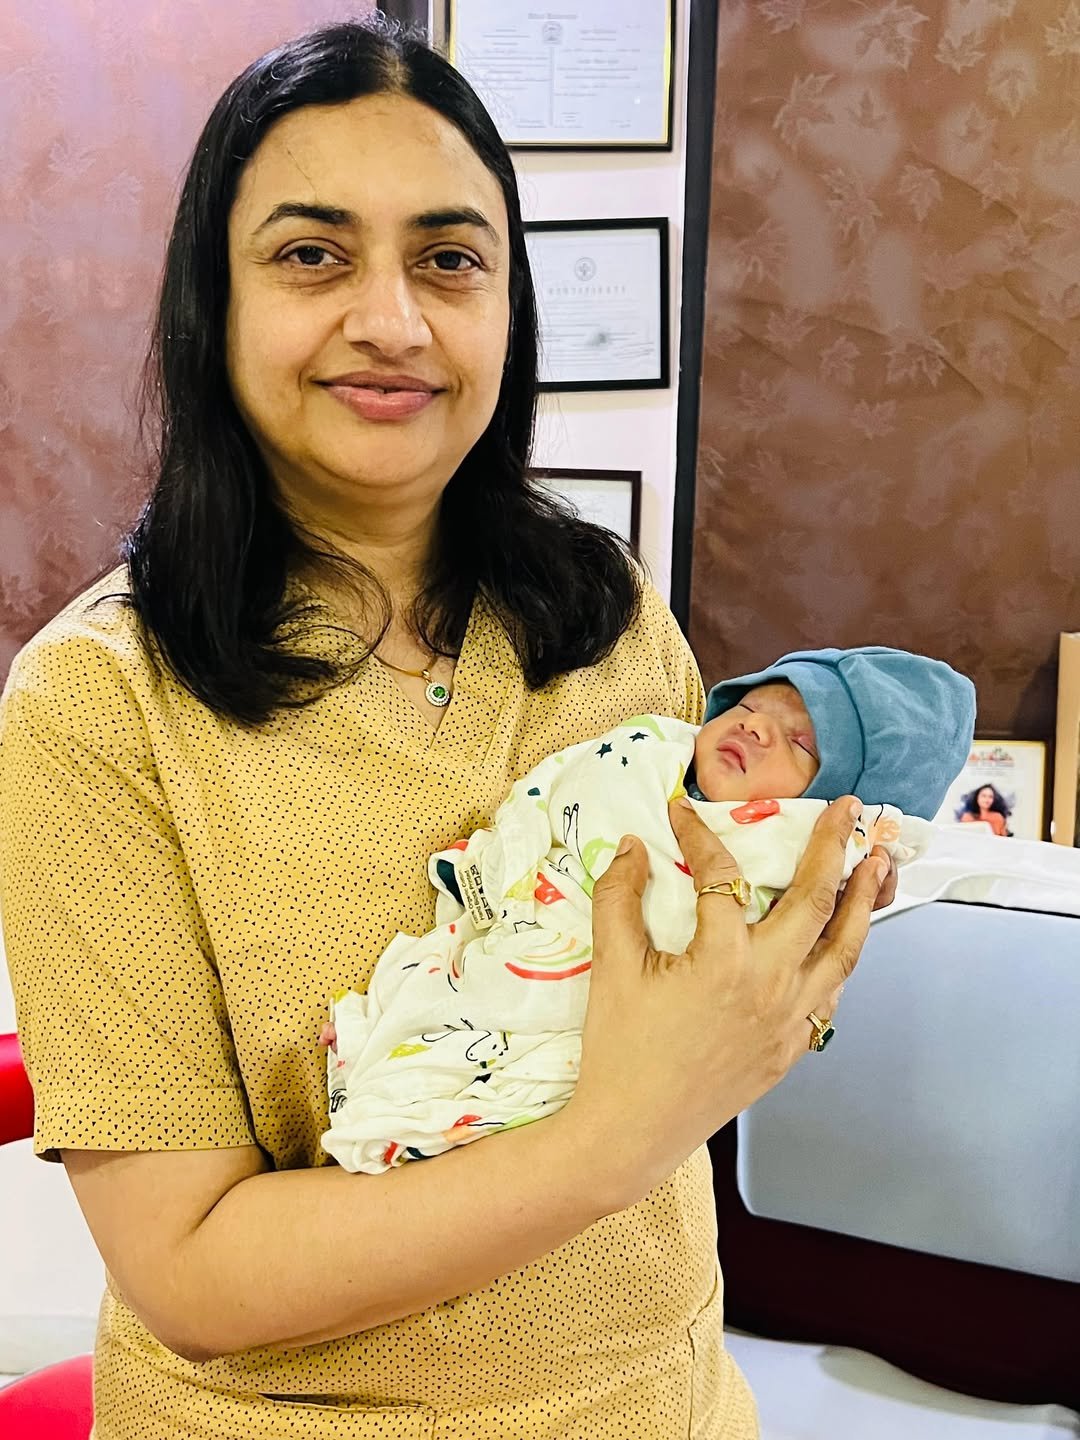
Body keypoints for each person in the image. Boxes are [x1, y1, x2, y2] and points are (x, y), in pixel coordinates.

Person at [0, 19, 896, 1439]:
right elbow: (190, 1272)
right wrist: (613, 1142)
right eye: (311, 254)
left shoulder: (605, 613)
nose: (394, 321)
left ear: (507, 304)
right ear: (209, 303)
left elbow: (705, 971)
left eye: (448, 258)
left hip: (667, 1401)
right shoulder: (100, 703)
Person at [322, 646, 975, 1173]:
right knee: (455, 982)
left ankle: (417, 1102)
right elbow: (566, 786)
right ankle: (398, 1052)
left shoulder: (782, 852)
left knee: (525, 1040)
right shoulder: (652, 750)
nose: (754, 726)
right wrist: (510, 857)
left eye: (801, 743)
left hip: (620, 1003)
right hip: (545, 915)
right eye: (748, 704)